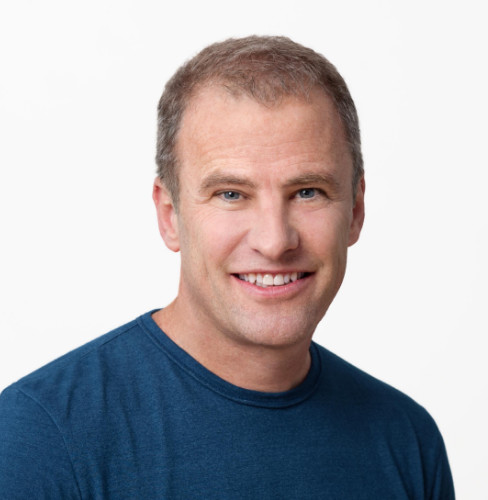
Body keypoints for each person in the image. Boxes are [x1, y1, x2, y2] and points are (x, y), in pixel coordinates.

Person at [0, 36, 454, 499]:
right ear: (170, 215)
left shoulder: (407, 440)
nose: (274, 241)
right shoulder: (42, 437)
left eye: (308, 192)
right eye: (231, 194)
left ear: (355, 211)